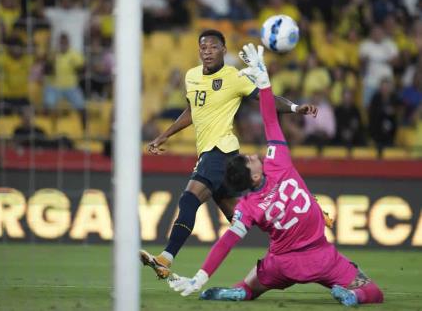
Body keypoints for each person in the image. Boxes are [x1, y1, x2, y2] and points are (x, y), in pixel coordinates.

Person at [168, 44, 384, 307]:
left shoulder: (246, 208)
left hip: (282, 265)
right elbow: (270, 119)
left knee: (253, 283)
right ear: (254, 177)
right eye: (248, 161)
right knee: (373, 292)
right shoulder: (278, 162)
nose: (251, 155)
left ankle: (242, 290)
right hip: (322, 257)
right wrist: (264, 81)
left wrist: (201, 277)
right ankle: (352, 295)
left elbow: (227, 242)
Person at [139, 29, 319, 279]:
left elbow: (266, 98)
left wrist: (295, 107)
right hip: (217, 154)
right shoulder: (191, 76)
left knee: (189, 200)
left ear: (223, 50)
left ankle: (166, 258)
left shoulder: (234, 77)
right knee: (239, 218)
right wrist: (164, 135)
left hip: (219, 151)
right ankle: (300, 243)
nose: (207, 52)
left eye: (213, 47)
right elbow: (192, 111)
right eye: (203, 47)